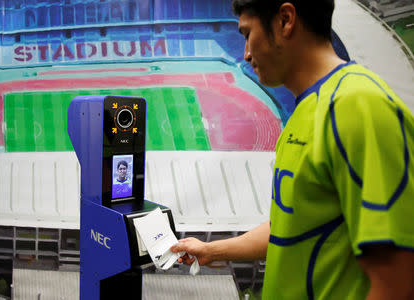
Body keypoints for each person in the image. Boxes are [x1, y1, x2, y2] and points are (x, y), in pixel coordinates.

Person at [171, 0, 414, 299]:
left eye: (248, 34)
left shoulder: (360, 106)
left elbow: (396, 282)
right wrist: (210, 249)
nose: (245, 53)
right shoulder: (307, 110)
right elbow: (289, 226)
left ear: (285, 20)